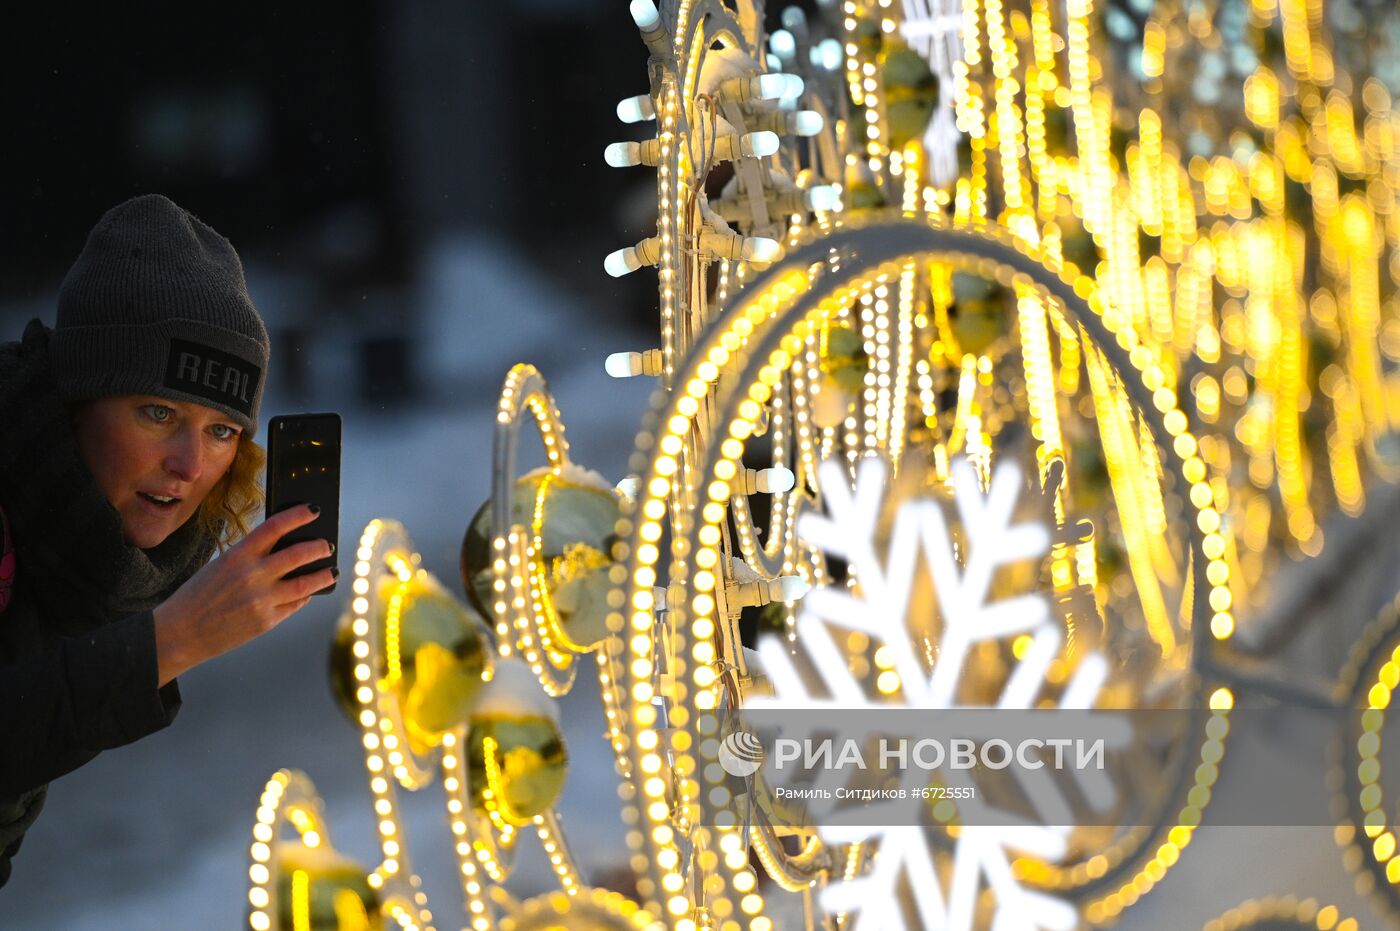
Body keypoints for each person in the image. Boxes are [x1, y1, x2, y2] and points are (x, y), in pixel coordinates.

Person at [0, 194, 336, 888]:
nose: (189, 466)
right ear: (77, 401)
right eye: (158, 412)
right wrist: (171, 640)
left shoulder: (93, 555)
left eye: (221, 431)